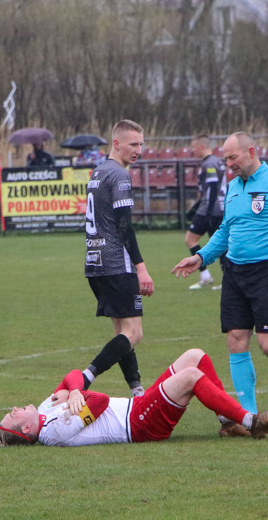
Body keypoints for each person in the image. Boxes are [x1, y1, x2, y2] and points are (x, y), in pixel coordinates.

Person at [172, 132, 268, 425]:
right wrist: (201, 257)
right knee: (236, 340)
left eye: (233, 158)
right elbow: (225, 232)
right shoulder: (232, 187)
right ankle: (248, 417)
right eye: (225, 159)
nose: (228, 164)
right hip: (234, 271)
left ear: (251, 152)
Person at [0, 348, 268, 447]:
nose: (16, 408)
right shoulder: (55, 431)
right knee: (192, 376)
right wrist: (76, 396)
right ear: (26, 429)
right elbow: (101, 401)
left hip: (137, 410)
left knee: (196, 356)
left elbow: (71, 377)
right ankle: (251, 421)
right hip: (140, 425)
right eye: (14, 414)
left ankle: (228, 423)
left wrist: (76, 391)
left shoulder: (43, 411)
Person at [82, 120, 154, 396]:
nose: (139, 150)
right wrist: (141, 268)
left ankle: (137, 390)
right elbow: (124, 226)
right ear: (117, 143)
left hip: (95, 264)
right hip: (116, 264)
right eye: (133, 144)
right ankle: (87, 376)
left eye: (141, 144)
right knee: (134, 333)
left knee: (122, 334)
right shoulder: (120, 176)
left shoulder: (97, 173)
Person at [185, 134, 226, 290]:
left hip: (210, 209)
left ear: (202, 146)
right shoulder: (218, 162)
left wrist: (206, 212)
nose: (192, 150)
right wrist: (194, 208)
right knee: (222, 245)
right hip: (220, 208)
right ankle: (226, 281)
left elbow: (213, 187)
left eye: (194, 146)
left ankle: (205, 276)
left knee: (190, 239)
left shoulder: (208, 163)